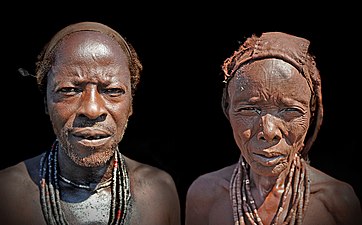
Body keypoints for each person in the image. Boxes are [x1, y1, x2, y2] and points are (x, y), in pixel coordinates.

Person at [0, 21, 181, 225]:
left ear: (131, 105)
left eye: (112, 91)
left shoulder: (158, 191)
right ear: (46, 103)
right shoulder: (7, 193)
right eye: (69, 90)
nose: (92, 109)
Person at [185, 31, 362, 225]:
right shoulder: (205, 196)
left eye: (289, 110)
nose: (268, 132)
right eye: (249, 109)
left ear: (312, 114)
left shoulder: (336, 203)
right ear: (228, 109)